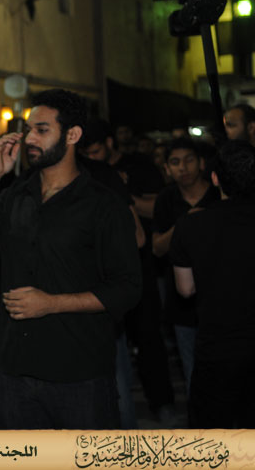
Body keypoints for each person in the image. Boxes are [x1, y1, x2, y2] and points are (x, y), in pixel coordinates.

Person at [0, 89, 141, 429]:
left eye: (42, 130)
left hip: (79, 373)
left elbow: (126, 289)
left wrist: (52, 303)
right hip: (15, 371)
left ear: (72, 135)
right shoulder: (16, 195)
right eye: (28, 130)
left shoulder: (103, 205)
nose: (29, 139)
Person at [81, 118, 176, 426]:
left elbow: (157, 210)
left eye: (96, 151)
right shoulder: (86, 174)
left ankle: (161, 402)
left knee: (148, 338)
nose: (92, 158)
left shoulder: (139, 167)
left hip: (142, 268)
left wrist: (121, 192)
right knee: (115, 350)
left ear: (109, 143)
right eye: (87, 154)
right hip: (105, 277)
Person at [170, 140, 255, 428]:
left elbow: (185, 289)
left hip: (218, 348)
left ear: (215, 178)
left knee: (217, 434)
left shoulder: (191, 225)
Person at [152, 137, 220, 394]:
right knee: (193, 372)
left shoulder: (218, 193)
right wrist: (184, 224)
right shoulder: (166, 199)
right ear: (167, 168)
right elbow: (157, 247)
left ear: (201, 163)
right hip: (182, 300)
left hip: (221, 296)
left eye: (189, 160)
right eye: (175, 162)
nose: (183, 168)